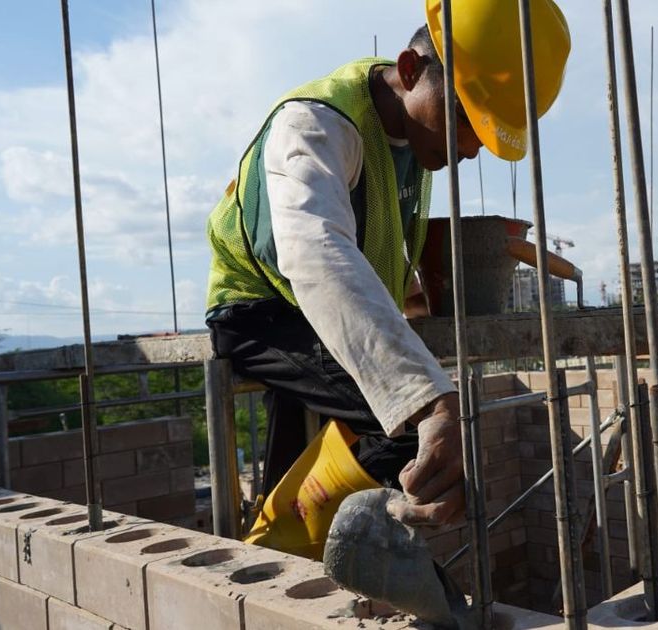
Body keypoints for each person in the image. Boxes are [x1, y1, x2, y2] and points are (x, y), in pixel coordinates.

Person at [203, 0, 570, 542]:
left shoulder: (414, 140)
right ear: (409, 70)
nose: (470, 147)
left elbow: (373, 239)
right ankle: (289, 547)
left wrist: (410, 300)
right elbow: (316, 254)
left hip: (317, 318)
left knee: (315, 453)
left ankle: (287, 542)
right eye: (465, 118)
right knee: (410, 433)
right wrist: (427, 398)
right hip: (260, 312)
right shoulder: (315, 124)